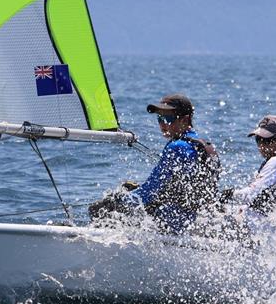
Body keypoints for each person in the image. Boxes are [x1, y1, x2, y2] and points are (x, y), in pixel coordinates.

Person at [90, 94, 220, 233]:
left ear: (185, 119)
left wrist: (117, 201)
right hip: (196, 220)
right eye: (160, 119)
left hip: (173, 222)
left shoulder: (176, 147)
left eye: (168, 118)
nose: (163, 124)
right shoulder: (203, 145)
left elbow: (150, 191)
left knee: (103, 209)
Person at [223, 115, 276, 229]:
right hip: (266, 234)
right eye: (258, 139)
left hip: (251, 232)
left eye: (267, 140)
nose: (261, 145)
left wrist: (229, 194)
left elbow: (249, 195)